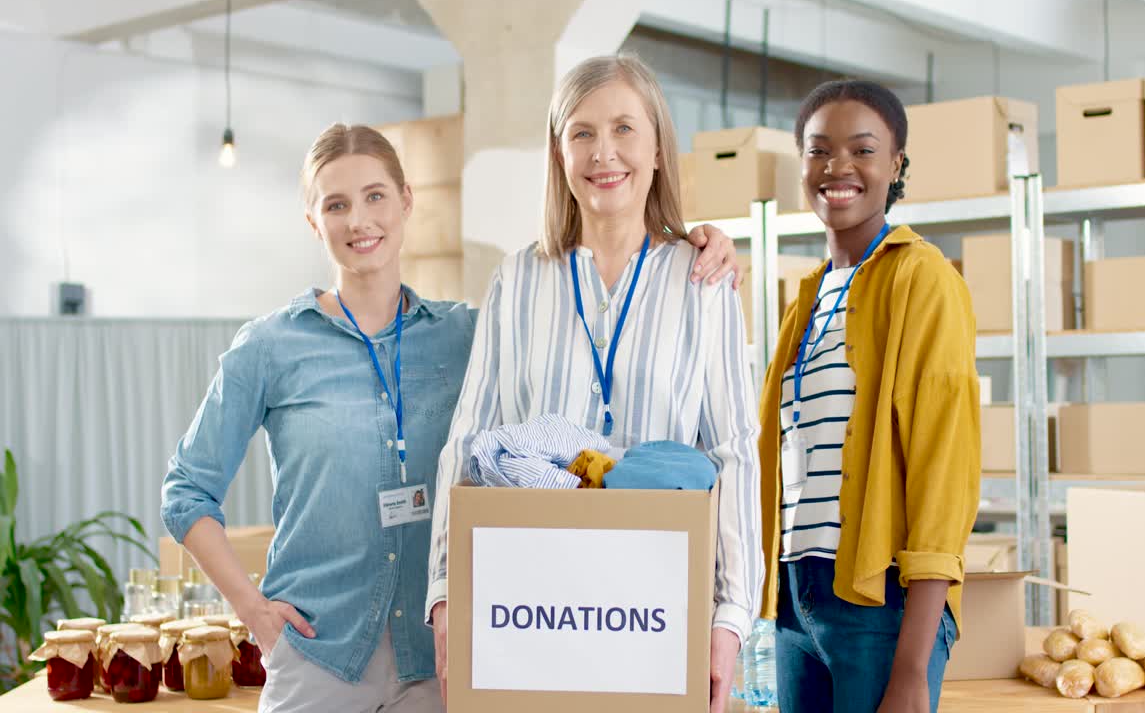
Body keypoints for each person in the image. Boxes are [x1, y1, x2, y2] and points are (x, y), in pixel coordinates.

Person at [160, 122, 741, 713]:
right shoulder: (270, 347)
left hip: (440, 665)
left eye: (375, 196)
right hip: (319, 656)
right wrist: (253, 610)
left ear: (407, 201)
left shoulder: (466, 334)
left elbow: (567, 335)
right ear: (314, 221)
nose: (360, 220)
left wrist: (688, 244)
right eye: (336, 205)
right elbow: (186, 493)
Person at [426, 54, 763, 713]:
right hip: (530, 610)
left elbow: (734, 455)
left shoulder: (703, 282)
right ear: (559, 154)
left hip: (660, 611)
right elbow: (467, 442)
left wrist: (729, 619)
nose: (602, 152)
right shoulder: (517, 281)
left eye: (623, 129)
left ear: (658, 148)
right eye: (581, 132)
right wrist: (445, 590)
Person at [756, 80, 981, 713]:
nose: (838, 168)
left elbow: (945, 469)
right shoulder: (806, 298)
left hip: (880, 608)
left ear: (896, 164)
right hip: (796, 603)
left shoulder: (923, 279)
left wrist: (911, 666)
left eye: (862, 149)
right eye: (818, 150)